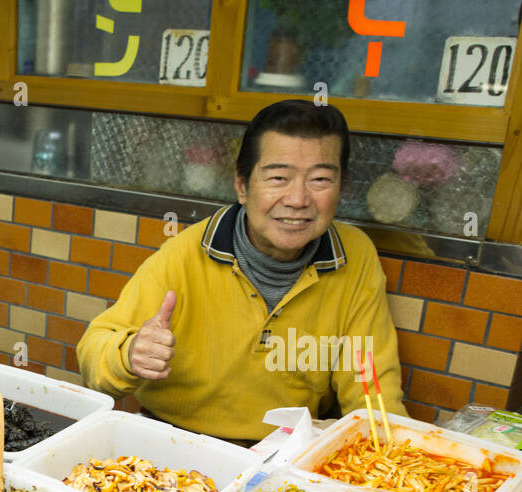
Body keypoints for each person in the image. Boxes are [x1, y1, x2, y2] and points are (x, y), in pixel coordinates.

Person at [77, 100, 407, 446]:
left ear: (342, 187)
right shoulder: (187, 253)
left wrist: (388, 457)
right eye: (278, 178)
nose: (298, 198)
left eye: (320, 179)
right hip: (173, 444)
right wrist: (129, 354)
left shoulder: (355, 256)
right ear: (242, 184)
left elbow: (371, 386)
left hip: (285, 456)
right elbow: (93, 354)